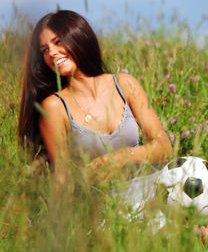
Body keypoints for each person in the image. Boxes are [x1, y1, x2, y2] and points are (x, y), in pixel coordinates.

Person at [17, 10, 172, 185]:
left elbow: (164, 148)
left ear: (78, 36)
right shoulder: (54, 107)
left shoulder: (125, 84)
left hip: (154, 188)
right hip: (109, 205)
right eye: (44, 50)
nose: (51, 53)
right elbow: (64, 179)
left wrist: (118, 158)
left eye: (57, 42)